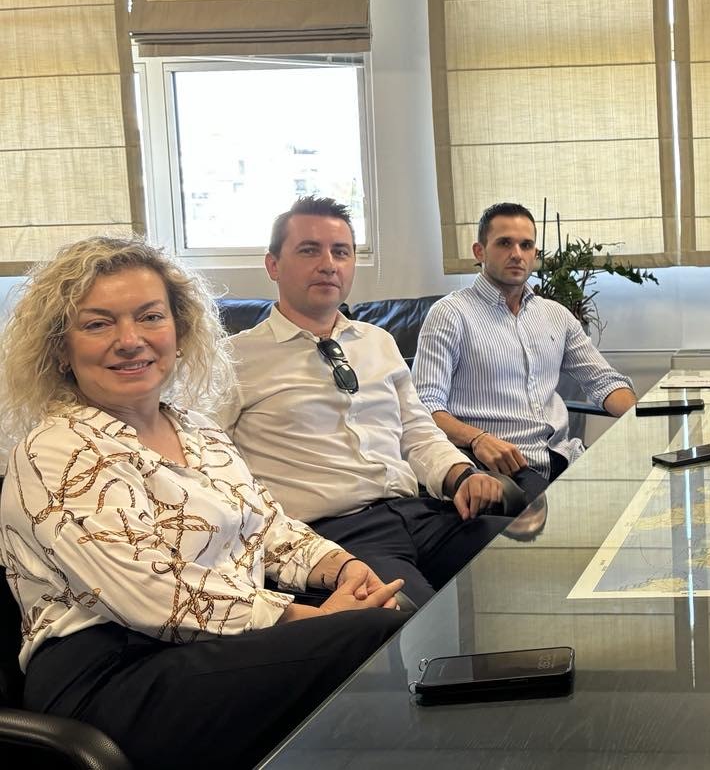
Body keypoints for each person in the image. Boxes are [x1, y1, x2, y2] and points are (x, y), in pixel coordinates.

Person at [0, 236, 406, 769]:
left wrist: (343, 567)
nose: (130, 341)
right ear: (60, 347)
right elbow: (149, 593)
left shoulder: (198, 430)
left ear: (180, 329)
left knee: (392, 613)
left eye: (150, 317)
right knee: (374, 635)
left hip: (216, 648)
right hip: (112, 675)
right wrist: (311, 619)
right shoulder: (57, 448)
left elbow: (267, 526)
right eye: (98, 324)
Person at [220, 197, 513, 606]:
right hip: (337, 539)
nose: (328, 264)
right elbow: (206, 465)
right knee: (423, 621)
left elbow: (417, 432)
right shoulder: (232, 360)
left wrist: (460, 474)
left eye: (341, 252)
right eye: (309, 250)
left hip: (421, 514)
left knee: (533, 563)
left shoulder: (379, 342)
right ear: (273, 265)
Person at [414, 202, 637, 502]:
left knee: (639, 493)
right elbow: (424, 407)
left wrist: (643, 419)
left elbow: (604, 381)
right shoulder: (450, 314)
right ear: (480, 252)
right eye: (504, 243)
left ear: (535, 254)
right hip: (498, 470)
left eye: (526, 245)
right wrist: (477, 439)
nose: (517, 254)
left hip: (563, 458)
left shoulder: (555, 315)